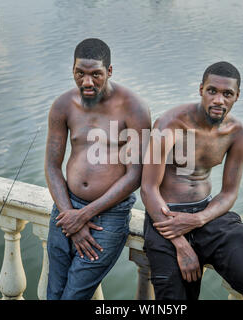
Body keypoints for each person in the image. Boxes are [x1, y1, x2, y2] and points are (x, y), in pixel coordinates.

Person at [141, 61, 243, 300]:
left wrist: (198, 219)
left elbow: (229, 193)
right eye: (212, 91)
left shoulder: (237, 133)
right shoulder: (170, 124)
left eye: (227, 93)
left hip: (208, 215)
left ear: (237, 96)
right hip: (165, 217)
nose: (219, 100)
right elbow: (148, 189)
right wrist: (181, 244)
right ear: (201, 90)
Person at [45, 38, 151, 300]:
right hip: (65, 208)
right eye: (80, 73)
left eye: (96, 74)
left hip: (108, 215)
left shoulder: (134, 107)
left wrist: (84, 216)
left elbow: (136, 173)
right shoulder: (63, 105)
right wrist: (70, 214)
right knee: (53, 292)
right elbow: (51, 166)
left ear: (110, 71)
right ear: (72, 69)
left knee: (73, 296)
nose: (87, 82)